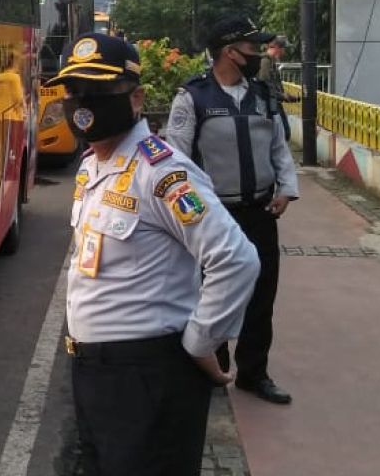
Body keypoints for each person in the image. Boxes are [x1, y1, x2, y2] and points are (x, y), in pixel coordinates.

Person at [48, 32, 259, 476]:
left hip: (148, 376)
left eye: (100, 90)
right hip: (95, 372)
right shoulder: (93, 165)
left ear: (137, 98)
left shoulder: (162, 172)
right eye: (73, 90)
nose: (82, 101)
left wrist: (203, 341)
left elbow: (236, 259)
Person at [163, 16, 299, 406]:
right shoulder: (193, 97)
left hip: (259, 211)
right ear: (229, 52)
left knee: (262, 293)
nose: (257, 55)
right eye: (252, 48)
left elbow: (278, 149)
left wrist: (287, 190)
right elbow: (176, 160)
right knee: (211, 292)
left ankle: (254, 373)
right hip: (213, 216)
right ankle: (213, 368)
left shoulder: (262, 95)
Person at [258, 35, 293, 140]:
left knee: (283, 133)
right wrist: (282, 96)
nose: (284, 52)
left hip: (274, 101)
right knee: (282, 133)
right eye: (284, 49)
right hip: (269, 104)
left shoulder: (271, 62)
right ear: (277, 48)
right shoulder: (265, 62)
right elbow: (264, 85)